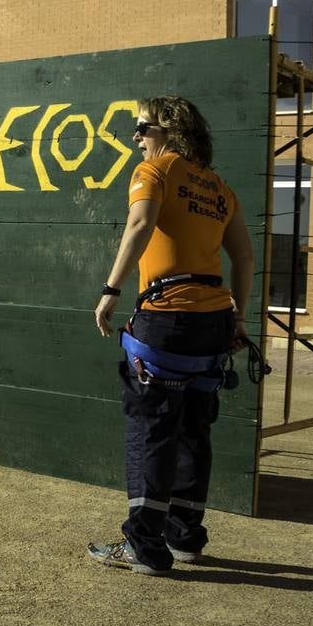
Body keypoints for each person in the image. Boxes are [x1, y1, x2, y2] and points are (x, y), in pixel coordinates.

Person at [88, 96, 254, 576]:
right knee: (193, 431)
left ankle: (145, 547)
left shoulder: (154, 172)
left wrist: (110, 290)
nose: (136, 137)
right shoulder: (219, 187)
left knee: (152, 430)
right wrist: (239, 321)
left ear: (169, 132)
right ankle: (185, 539)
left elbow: (140, 223)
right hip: (214, 324)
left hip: (166, 320)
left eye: (143, 128)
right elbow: (244, 258)